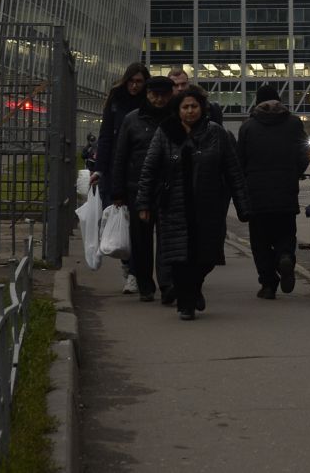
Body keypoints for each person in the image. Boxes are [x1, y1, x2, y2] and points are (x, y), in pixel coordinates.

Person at [136, 85, 250, 320]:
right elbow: (149, 169)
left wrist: (243, 205)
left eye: (194, 106)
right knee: (179, 259)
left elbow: (233, 170)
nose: (190, 111)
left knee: (206, 257)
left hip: (207, 206)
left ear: (202, 108)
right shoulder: (165, 132)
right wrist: (144, 204)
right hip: (173, 205)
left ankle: (195, 288)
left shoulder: (216, 133)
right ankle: (185, 305)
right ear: (178, 110)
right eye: (185, 107)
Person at [237, 81, 310, 299]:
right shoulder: (294, 123)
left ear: (258, 102)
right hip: (286, 190)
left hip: (256, 193)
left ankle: (268, 284)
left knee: (259, 241)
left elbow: (240, 160)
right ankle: (285, 256)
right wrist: (295, 172)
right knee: (286, 232)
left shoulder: (248, 127)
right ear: (278, 100)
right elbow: (305, 151)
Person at [109, 76, 178, 303]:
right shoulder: (132, 120)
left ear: (170, 95)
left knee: (167, 238)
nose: (159, 99)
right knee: (141, 240)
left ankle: (167, 284)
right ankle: (145, 284)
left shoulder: (176, 118)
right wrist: (117, 191)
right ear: (147, 95)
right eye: (154, 95)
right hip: (137, 189)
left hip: (169, 188)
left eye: (163, 95)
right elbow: (120, 157)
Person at [91, 63, 148, 292]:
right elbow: (105, 136)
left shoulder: (148, 102)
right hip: (115, 169)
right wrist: (99, 169)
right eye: (131, 81)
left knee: (137, 226)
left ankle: (134, 273)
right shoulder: (116, 99)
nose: (134, 86)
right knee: (117, 221)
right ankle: (128, 264)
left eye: (139, 82)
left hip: (140, 169)